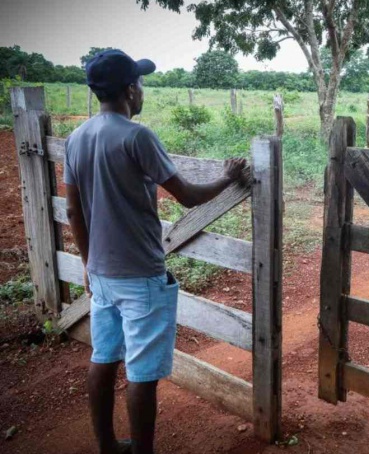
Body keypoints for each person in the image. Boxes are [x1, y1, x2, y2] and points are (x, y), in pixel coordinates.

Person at [64, 49, 248, 454]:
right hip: (141, 276)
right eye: (140, 83)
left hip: (101, 274)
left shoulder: (76, 138)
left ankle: (109, 446)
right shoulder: (137, 136)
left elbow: (74, 209)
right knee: (142, 373)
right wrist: (227, 178)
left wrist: (87, 264)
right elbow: (186, 195)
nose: (142, 90)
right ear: (130, 90)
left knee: (104, 357)